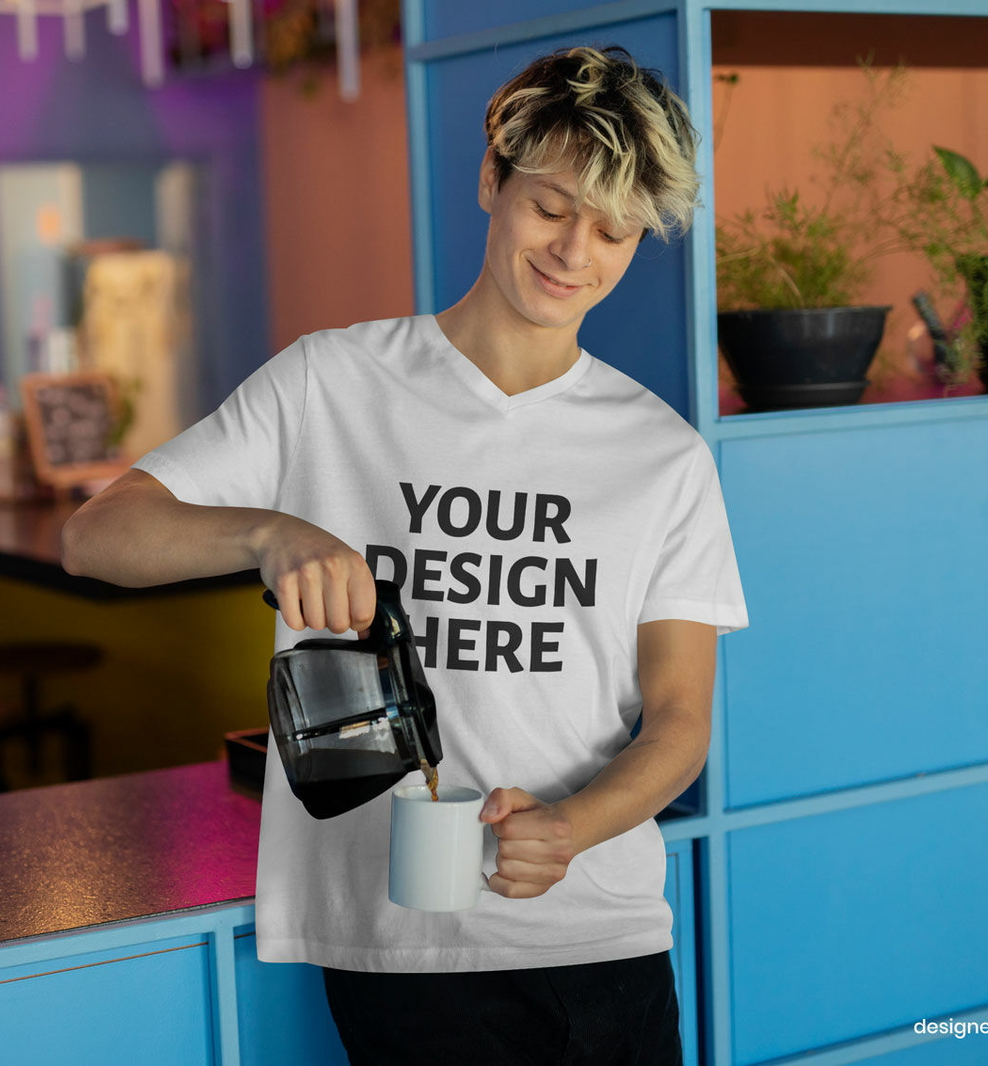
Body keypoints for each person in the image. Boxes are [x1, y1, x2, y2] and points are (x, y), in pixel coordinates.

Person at [61, 43, 747, 1065]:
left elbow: (682, 721)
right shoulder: (331, 384)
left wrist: (569, 826)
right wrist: (268, 530)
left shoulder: (661, 453)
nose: (575, 253)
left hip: (596, 939)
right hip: (393, 946)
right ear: (492, 181)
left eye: (613, 231)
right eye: (552, 207)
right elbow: (94, 536)